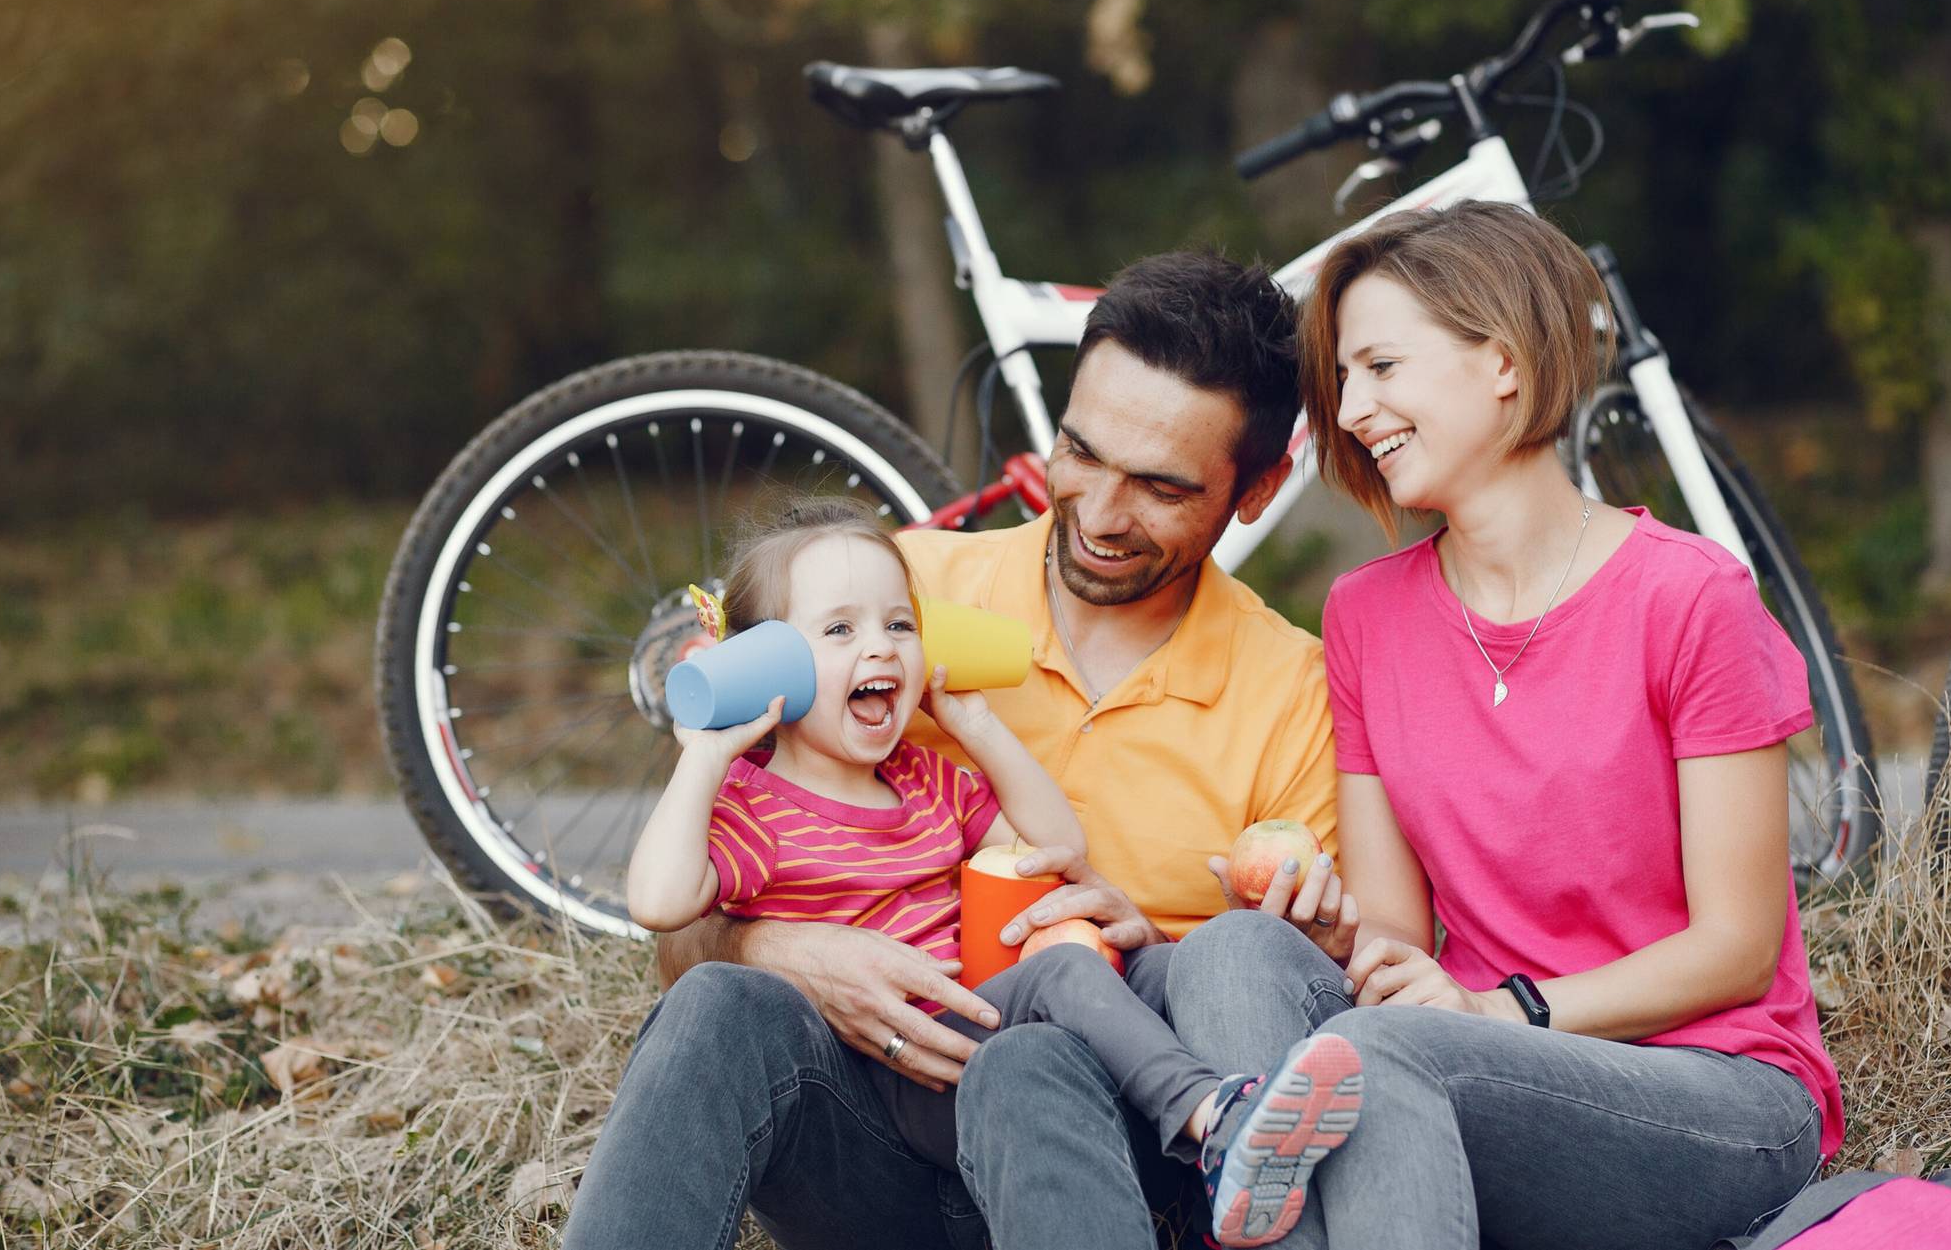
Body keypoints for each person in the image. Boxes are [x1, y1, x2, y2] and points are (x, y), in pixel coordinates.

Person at [560, 251, 1361, 1250]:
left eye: (1158, 486)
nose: (1103, 513)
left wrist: (1155, 942)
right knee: (719, 1001)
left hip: (1117, 1165)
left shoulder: (1296, 694)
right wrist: (781, 946)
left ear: (1258, 488)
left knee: (1058, 1046)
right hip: (879, 1147)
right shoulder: (892, 596)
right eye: (1082, 451)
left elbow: (1292, 988)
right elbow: (684, 919)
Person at [1288, 200, 1843, 1247]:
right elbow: (1399, 934)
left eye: (1380, 366)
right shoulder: (1364, 615)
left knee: (1380, 1062)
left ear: (1501, 360)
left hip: (1720, 1089)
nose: (1352, 407)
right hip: (1484, 1069)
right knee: (1250, 963)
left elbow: (1735, 946)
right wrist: (1335, 931)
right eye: (1344, 379)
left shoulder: (1691, 597)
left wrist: (1508, 1011)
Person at [622, 495, 1363, 1247]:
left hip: (984, 1054)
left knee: (1148, 965)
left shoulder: (927, 781)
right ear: (766, 664)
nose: (880, 648)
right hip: (890, 1085)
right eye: (840, 628)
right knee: (1060, 970)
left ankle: (1233, 1128)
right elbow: (659, 900)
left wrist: (973, 720)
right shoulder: (754, 807)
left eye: (901, 624)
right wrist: (707, 753)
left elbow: (1054, 843)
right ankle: (1213, 1118)